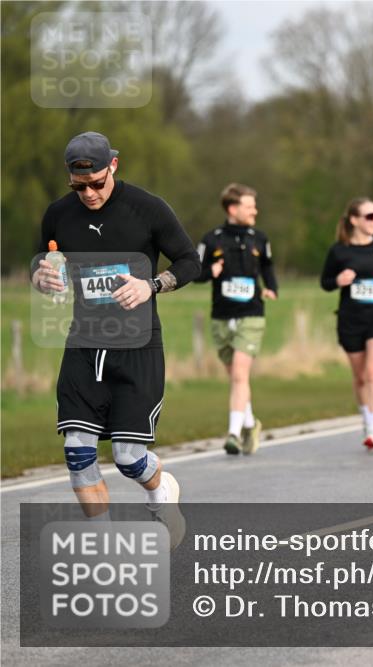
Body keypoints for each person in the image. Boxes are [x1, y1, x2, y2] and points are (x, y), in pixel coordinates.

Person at [30, 131, 198, 545]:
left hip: (137, 347)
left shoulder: (148, 209)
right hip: (84, 345)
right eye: (78, 186)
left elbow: (190, 261)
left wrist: (152, 285)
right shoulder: (58, 214)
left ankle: (161, 492)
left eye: (97, 183)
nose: (88, 193)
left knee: (128, 457)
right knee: (78, 452)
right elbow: (44, 267)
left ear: (114, 167)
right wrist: (42, 277)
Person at [195, 184, 278, 455]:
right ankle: (251, 423)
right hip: (221, 316)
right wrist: (211, 271)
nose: (255, 210)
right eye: (249, 205)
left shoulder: (260, 239)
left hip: (251, 315)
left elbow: (267, 267)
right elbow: (195, 272)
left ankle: (233, 433)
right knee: (236, 378)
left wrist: (271, 288)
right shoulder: (211, 239)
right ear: (232, 208)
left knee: (241, 374)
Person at [321, 198, 373, 450]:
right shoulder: (339, 251)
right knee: (359, 377)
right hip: (351, 317)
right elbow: (325, 282)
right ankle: (367, 420)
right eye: (370, 216)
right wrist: (339, 280)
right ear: (354, 220)